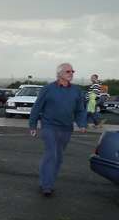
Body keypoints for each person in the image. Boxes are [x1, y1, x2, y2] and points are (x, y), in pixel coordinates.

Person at [28, 63, 87, 197]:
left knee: (59, 157)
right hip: (49, 126)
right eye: (68, 71)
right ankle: (46, 186)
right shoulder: (48, 89)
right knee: (51, 154)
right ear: (59, 74)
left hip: (66, 128)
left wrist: (82, 124)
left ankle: (48, 182)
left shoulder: (77, 91)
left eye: (72, 71)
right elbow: (37, 107)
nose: (71, 73)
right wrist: (32, 125)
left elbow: (80, 110)